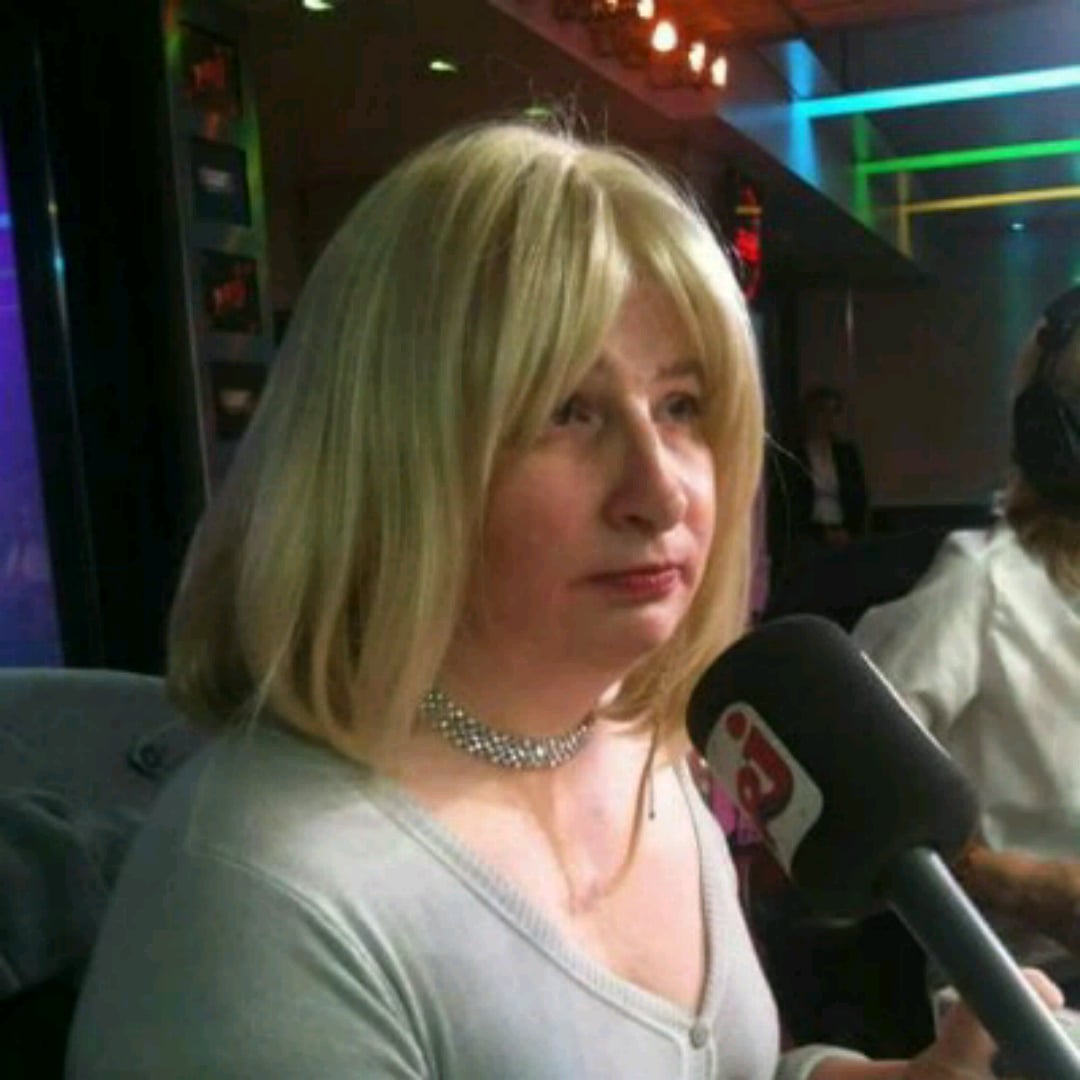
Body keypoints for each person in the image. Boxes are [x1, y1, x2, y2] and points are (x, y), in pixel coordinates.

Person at [66, 119, 1056, 1078]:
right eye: (565, 410)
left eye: (681, 406)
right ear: (389, 455)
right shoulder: (264, 891)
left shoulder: (647, 745)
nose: (662, 490)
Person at [853, 285, 1080, 1007]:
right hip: (1037, 1002)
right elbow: (840, 777)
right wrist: (1003, 879)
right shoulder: (982, 587)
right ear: (1054, 433)